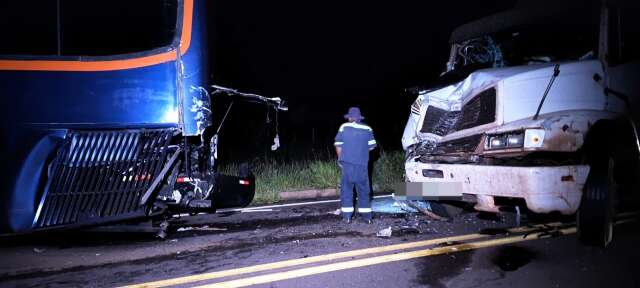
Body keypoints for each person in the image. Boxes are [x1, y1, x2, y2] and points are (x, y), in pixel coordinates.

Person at [334, 107, 377, 224]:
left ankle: (347, 217)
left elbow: (338, 145)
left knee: (347, 190)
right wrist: (360, 152)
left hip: (347, 164)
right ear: (359, 118)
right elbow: (372, 146)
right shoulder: (368, 128)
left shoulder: (344, 127)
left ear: (350, 117)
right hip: (362, 165)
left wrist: (340, 159)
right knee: (363, 190)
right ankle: (367, 217)